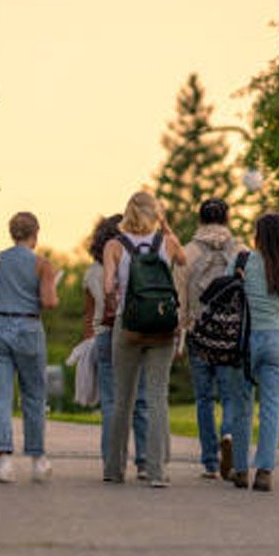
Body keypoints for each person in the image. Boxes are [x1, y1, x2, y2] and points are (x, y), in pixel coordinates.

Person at [102, 192, 186, 486]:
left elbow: (108, 287)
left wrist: (118, 296)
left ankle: (114, 469)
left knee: (122, 400)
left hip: (129, 326)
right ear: (156, 213)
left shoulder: (114, 245)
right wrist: (166, 227)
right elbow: (184, 259)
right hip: (162, 324)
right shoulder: (168, 243)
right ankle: (156, 472)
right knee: (157, 398)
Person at [0, 212, 59, 483]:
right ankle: (37, 460)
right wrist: (52, 285)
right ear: (35, 235)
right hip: (28, 330)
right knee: (33, 396)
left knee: (1, 396)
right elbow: (48, 302)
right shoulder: (41, 264)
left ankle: (4, 464)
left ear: (12, 233)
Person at [225, 212, 279, 492]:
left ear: (258, 235)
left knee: (242, 406)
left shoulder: (242, 260)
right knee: (271, 408)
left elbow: (226, 297)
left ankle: (241, 470)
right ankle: (265, 472)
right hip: (276, 338)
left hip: (243, 340)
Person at [175, 198, 246, 480]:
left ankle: (210, 463)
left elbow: (179, 298)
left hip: (198, 333)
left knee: (204, 398)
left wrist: (180, 335)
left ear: (200, 220)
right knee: (230, 395)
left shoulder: (187, 252)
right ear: (227, 219)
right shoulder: (240, 251)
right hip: (229, 334)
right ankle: (228, 433)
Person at [83, 214, 152, 480]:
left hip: (103, 336)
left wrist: (85, 342)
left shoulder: (92, 272)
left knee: (111, 402)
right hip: (134, 332)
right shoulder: (134, 263)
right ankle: (144, 461)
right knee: (141, 399)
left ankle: (113, 464)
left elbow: (89, 315)